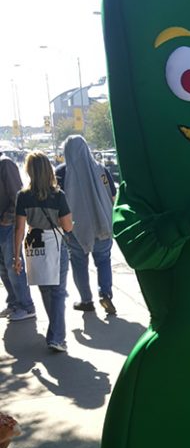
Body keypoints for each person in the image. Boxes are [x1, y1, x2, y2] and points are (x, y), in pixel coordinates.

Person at [14, 151, 73, 353]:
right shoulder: (58, 195)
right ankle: (56, 337)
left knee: (46, 290)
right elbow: (68, 227)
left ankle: (55, 333)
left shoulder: (22, 196)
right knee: (57, 291)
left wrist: (16, 257)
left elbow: (19, 229)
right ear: (48, 170)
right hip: (54, 242)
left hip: (33, 243)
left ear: (29, 171)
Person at [57, 135, 116, 315]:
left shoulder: (61, 172)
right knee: (103, 261)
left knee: (79, 264)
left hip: (75, 228)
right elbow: (113, 197)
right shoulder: (101, 170)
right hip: (102, 224)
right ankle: (105, 293)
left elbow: (57, 202)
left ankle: (86, 300)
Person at [0, 156, 36, 321]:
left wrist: (6, 219)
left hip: (8, 224)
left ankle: (26, 306)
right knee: (3, 268)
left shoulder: (5, 164)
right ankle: (14, 302)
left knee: (14, 265)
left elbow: (17, 196)